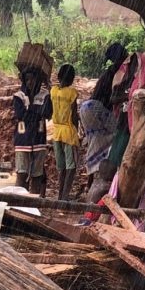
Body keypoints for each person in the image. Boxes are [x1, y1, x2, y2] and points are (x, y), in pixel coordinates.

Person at [79, 43, 127, 187]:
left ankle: (92, 184)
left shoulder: (109, 72)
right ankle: (105, 184)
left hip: (87, 108)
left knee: (96, 145)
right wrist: (128, 96)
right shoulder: (117, 74)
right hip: (97, 110)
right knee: (117, 139)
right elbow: (113, 98)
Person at [13, 66, 52, 195]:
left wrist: (29, 112)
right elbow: (20, 115)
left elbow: (47, 113)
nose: (30, 82)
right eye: (27, 79)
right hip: (22, 141)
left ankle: (33, 203)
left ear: (38, 80)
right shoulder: (18, 96)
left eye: (33, 79)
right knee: (21, 173)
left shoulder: (45, 95)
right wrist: (36, 113)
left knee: (37, 174)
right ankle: (19, 203)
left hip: (39, 140)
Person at [51, 64, 79, 200]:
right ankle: (65, 196)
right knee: (71, 166)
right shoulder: (72, 93)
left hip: (56, 132)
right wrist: (78, 131)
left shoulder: (53, 91)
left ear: (59, 76)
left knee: (61, 167)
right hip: (69, 132)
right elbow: (74, 116)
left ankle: (59, 195)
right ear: (72, 78)